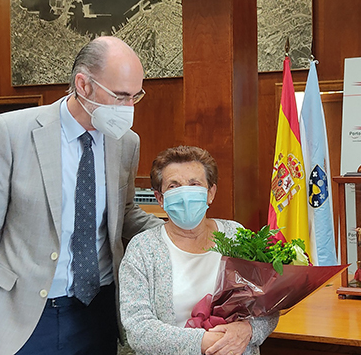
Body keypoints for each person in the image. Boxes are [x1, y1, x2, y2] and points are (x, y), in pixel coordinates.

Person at [0, 36, 164, 355]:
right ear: (83, 85)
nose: (129, 109)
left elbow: (124, 213)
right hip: (24, 312)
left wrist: (186, 234)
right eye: (120, 96)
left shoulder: (126, 142)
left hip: (97, 308)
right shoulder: (11, 132)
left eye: (136, 97)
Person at [119, 146, 278, 355]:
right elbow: (138, 329)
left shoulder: (236, 235)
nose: (185, 193)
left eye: (194, 184)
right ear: (160, 198)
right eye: (174, 186)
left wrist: (248, 330)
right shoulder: (143, 249)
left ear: (211, 193)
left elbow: (269, 309)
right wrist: (203, 341)